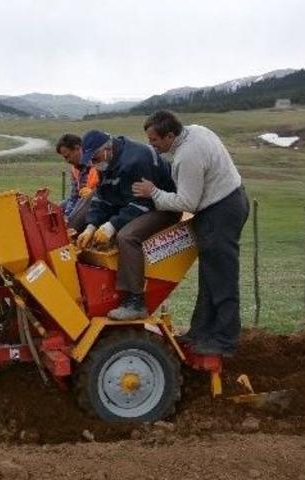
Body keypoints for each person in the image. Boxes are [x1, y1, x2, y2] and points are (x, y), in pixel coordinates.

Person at [134, 110, 248, 357]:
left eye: (154, 140)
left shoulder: (187, 156)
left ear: (170, 135)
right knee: (210, 276)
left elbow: (187, 202)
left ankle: (225, 341)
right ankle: (200, 332)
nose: (150, 144)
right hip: (227, 201)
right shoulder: (196, 130)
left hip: (221, 210)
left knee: (223, 278)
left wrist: (153, 193)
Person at [75, 130, 179, 320]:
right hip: (132, 204)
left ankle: (135, 301)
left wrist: (111, 226)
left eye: (95, 157)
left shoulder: (137, 159)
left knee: (127, 236)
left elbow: (143, 202)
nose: (93, 163)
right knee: (90, 225)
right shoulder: (105, 162)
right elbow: (102, 197)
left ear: (107, 147)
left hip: (161, 207)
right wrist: (91, 226)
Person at [56, 133, 100, 232]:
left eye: (67, 156)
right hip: (83, 200)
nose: (67, 161)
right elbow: (74, 195)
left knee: (81, 205)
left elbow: (110, 189)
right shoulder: (75, 169)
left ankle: (70, 229)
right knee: (58, 207)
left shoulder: (99, 162)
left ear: (78, 148)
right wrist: (67, 214)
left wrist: (93, 193)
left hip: (99, 203)